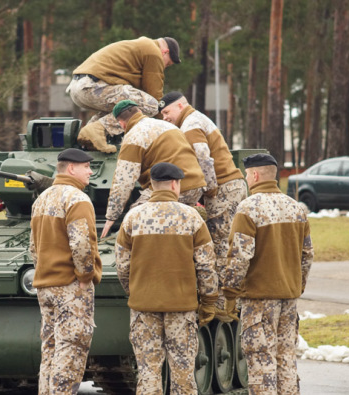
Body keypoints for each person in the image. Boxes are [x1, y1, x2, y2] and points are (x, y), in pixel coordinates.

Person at [115, 162, 218, 395]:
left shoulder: (133, 218)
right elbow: (206, 266)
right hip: (181, 307)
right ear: (174, 184)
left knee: (148, 371)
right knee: (183, 373)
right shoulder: (191, 217)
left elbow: (122, 266)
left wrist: (135, 291)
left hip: (144, 306)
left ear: (151, 185)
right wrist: (209, 300)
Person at [225, 153, 313, 395]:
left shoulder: (248, 207)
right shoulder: (296, 208)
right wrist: (296, 286)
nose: (246, 178)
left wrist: (229, 293)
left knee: (261, 363)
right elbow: (307, 255)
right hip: (289, 298)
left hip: (259, 300)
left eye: (246, 174)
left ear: (254, 175)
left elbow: (240, 256)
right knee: (285, 359)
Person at [159, 91, 248, 321]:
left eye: (167, 112)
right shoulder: (194, 119)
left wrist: (207, 189)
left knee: (220, 245)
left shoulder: (190, 123)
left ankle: (221, 305)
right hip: (229, 185)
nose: (165, 117)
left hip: (223, 187)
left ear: (180, 106)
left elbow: (203, 158)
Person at [29, 148, 103, 395]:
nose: (91, 171)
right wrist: (84, 278)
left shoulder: (42, 198)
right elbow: (82, 244)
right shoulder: (77, 199)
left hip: (45, 286)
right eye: (86, 167)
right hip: (71, 287)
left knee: (50, 349)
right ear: (72, 168)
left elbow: (33, 248)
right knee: (70, 351)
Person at [100, 100, 206, 239]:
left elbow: (123, 181)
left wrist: (111, 217)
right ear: (139, 112)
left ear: (122, 124)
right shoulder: (168, 126)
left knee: (137, 217)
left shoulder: (133, 136)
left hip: (172, 187)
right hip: (195, 186)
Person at [67, 37, 182, 153]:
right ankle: (98, 128)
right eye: (167, 64)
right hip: (93, 87)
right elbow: (154, 93)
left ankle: (89, 137)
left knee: (123, 106)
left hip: (79, 87)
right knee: (151, 105)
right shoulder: (154, 52)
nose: (164, 68)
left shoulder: (141, 46)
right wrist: (167, 125)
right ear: (165, 52)